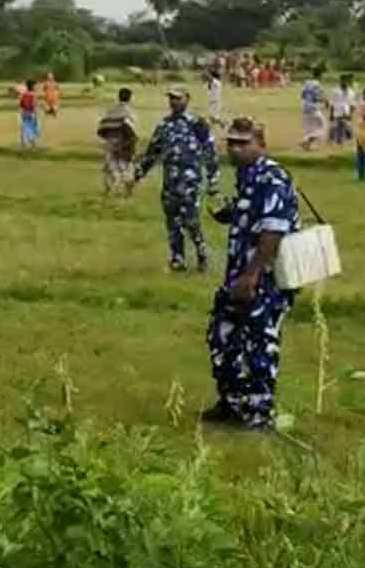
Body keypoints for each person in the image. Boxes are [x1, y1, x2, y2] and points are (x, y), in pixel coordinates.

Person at [203, 117, 299, 429]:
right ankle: (232, 402)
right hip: (239, 274)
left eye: (243, 143)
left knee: (260, 342)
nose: (235, 149)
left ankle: (259, 412)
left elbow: (273, 231)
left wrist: (251, 275)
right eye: (231, 142)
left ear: (261, 144)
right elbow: (253, 214)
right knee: (223, 335)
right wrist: (228, 213)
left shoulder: (272, 177)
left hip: (263, 278)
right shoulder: (248, 176)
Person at [134, 87, 220, 273]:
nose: (174, 102)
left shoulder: (197, 124)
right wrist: (138, 174)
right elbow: (152, 153)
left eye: (178, 98)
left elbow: (210, 152)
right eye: (171, 98)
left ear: (187, 100)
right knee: (172, 222)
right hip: (170, 182)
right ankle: (177, 259)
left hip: (190, 182)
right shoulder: (164, 126)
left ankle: (202, 254)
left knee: (191, 221)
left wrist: (213, 180)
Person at [98, 88, 139, 197]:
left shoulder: (111, 110)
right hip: (123, 142)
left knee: (109, 166)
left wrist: (108, 138)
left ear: (119, 96)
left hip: (110, 141)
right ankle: (128, 191)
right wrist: (132, 144)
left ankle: (108, 190)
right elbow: (131, 129)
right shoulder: (129, 111)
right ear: (130, 98)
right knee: (125, 165)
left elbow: (102, 127)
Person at [299, 68, 327, 150]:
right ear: (320, 75)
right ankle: (305, 141)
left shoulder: (306, 83)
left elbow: (302, 95)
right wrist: (325, 101)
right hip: (313, 108)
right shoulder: (317, 85)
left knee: (309, 128)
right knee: (322, 127)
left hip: (304, 106)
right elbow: (318, 97)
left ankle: (306, 144)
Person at [328, 74, 356, 146]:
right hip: (337, 110)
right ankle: (338, 140)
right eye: (343, 80)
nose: (345, 82)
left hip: (346, 111)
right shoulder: (335, 91)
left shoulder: (351, 92)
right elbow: (332, 102)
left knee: (347, 129)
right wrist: (331, 113)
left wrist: (351, 114)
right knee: (338, 125)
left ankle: (340, 137)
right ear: (340, 81)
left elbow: (353, 104)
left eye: (347, 81)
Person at [19, 79, 40, 148]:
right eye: (36, 86)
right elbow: (34, 105)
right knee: (32, 129)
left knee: (25, 128)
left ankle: (24, 143)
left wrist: (22, 112)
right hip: (31, 113)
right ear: (32, 86)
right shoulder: (33, 95)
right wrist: (36, 114)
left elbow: (21, 104)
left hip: (24, 113)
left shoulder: (23, 94)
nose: (37, 87)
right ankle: (33, 144)